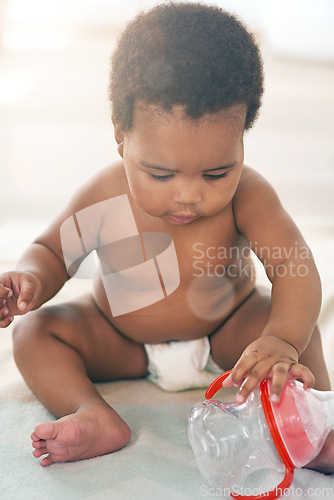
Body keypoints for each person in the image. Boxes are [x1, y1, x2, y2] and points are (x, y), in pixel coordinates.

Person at [0, 3, 333, 472]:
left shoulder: (250, 195)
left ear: (242, 137)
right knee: (36, 334)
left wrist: (281, 340)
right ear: (121, 137)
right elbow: (53, 251)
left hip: (228, 337)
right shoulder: (105, 192)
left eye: (218, 171)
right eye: (159, 173)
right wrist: (31, 279)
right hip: (120, 342)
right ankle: (92, 412)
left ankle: (313, 428)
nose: (189, 195)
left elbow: (294, 268)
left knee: (297, 332)